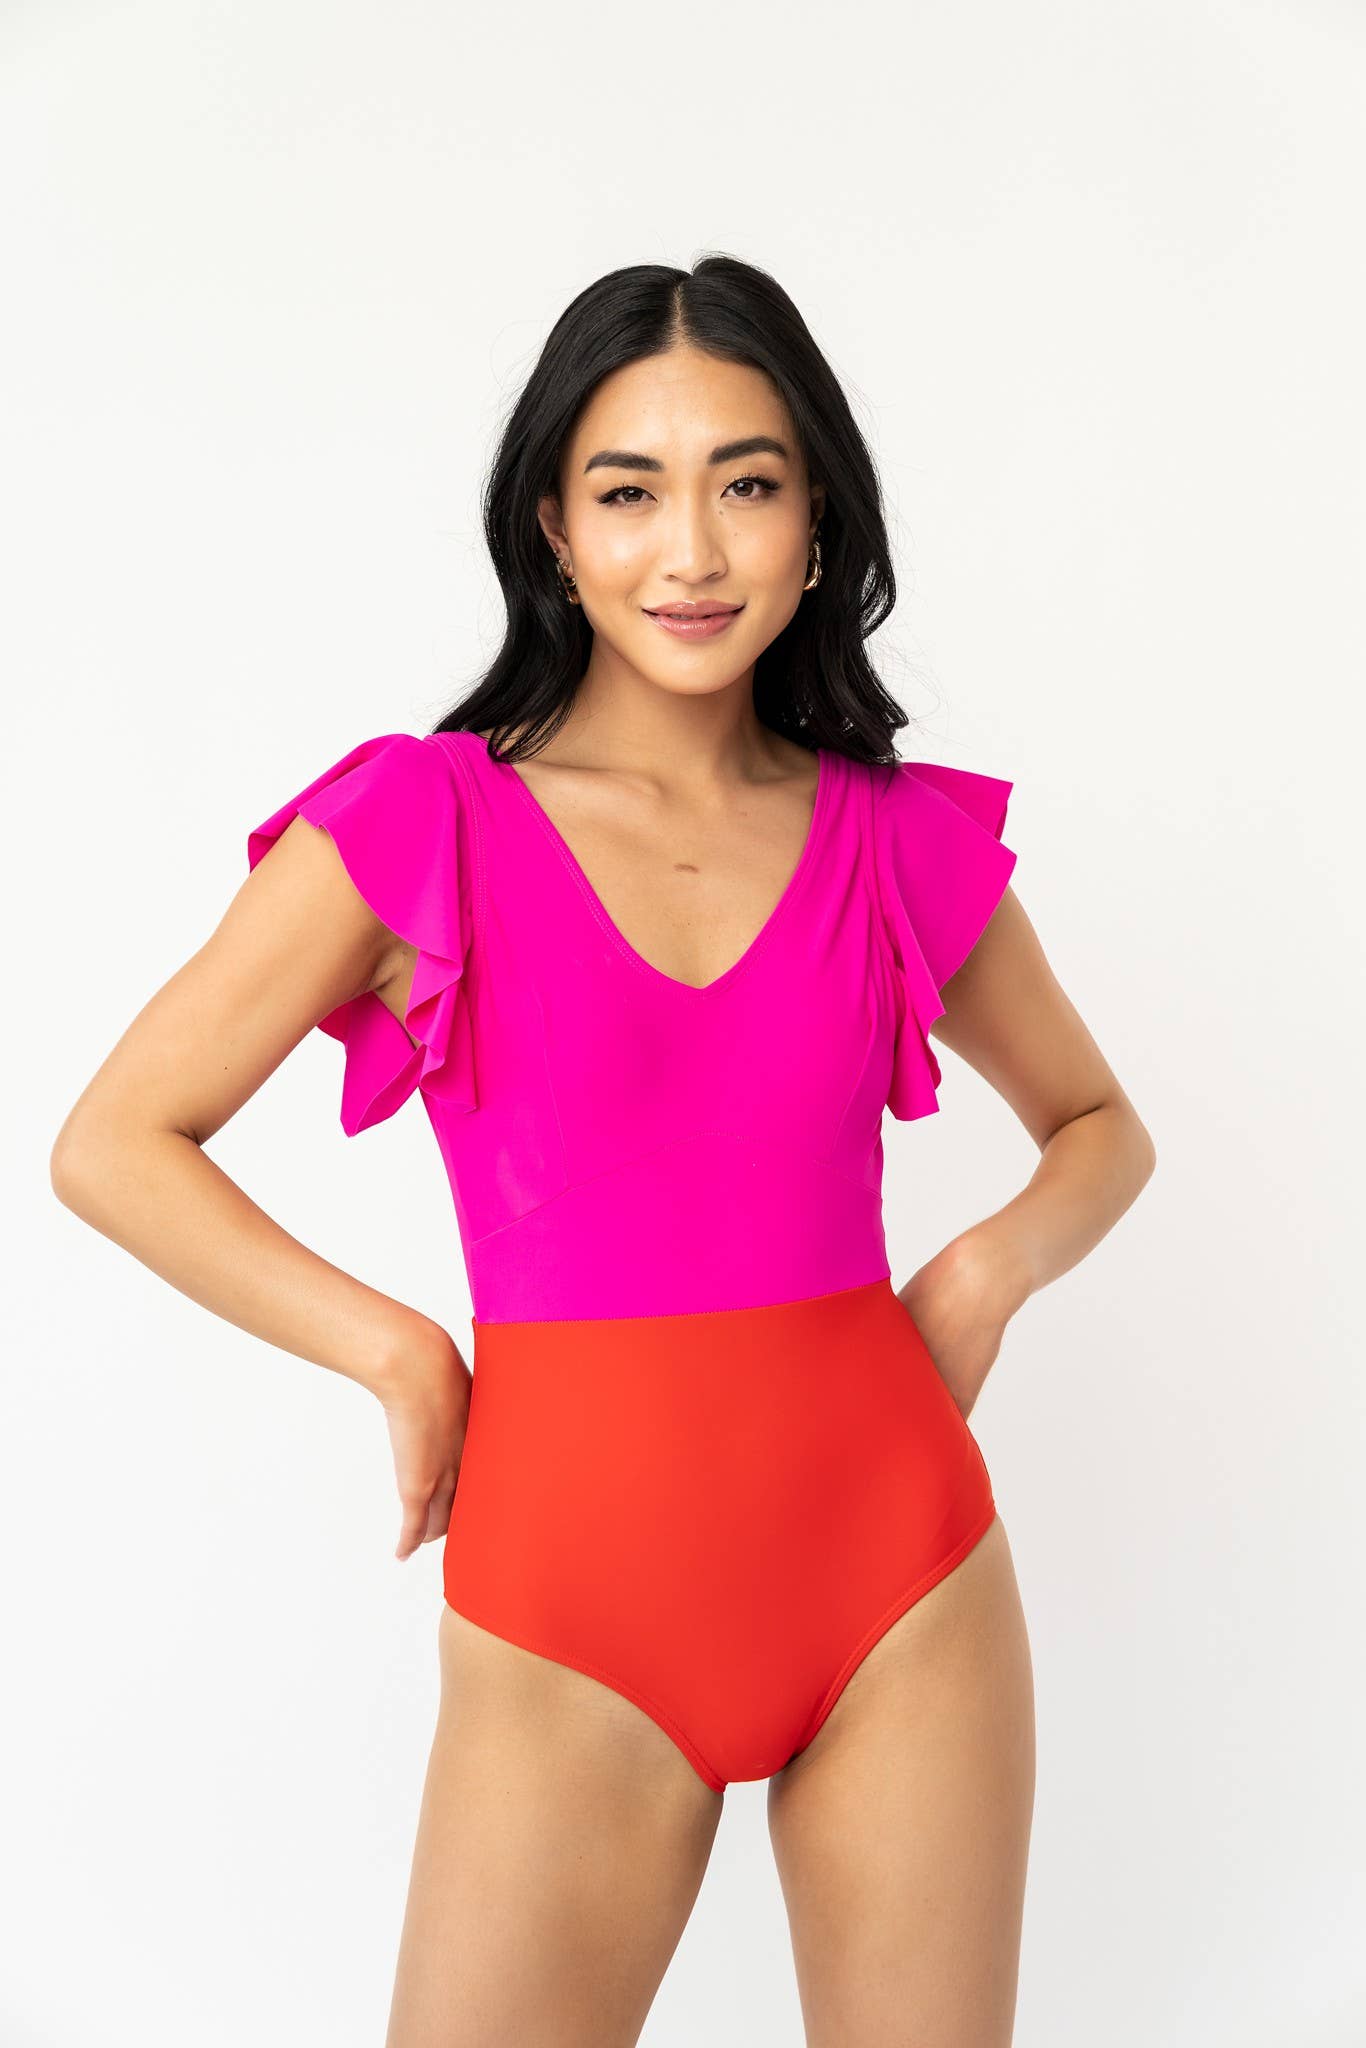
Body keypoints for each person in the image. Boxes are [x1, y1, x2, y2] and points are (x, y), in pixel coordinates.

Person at [51, 254, 1157, 2048]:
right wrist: (395, 1350)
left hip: (904, 1578)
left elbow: (1101, 1129)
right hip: (571, 1606)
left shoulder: (889, 838)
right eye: (630, 492)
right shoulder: (421, 818)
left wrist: (982, 1272)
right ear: (555, 533)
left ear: (817, 519)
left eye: (747, 482)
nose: (691, 551)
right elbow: (114, 1142)